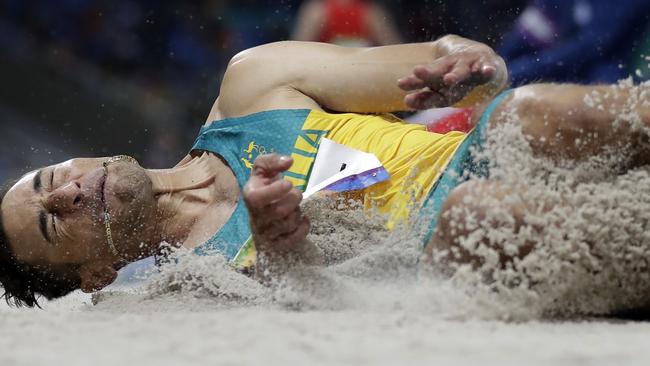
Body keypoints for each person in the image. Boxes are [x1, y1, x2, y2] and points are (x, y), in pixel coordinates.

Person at [1, 35, 649, 308]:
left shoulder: (254, 81)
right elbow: (325, 311)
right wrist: (287, 256)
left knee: (524, 111)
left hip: (477, 154)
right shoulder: (191, 289)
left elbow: (454, 61)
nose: (69, 194)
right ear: (97, 274)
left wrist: (467, 68)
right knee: (471, 216)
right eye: (53, 224)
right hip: (454, 245)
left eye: (50, 180)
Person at [498, 0, 650, 85]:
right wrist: (499, 64)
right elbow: (530, 32)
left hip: (606, 77)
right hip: (554, 68)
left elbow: (590, 47)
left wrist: (515, 73)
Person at [292, 0, 401, 46]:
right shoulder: (317, 10)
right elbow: (297, 50)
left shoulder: (371, 12)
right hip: (327, 71)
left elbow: (395, 48)